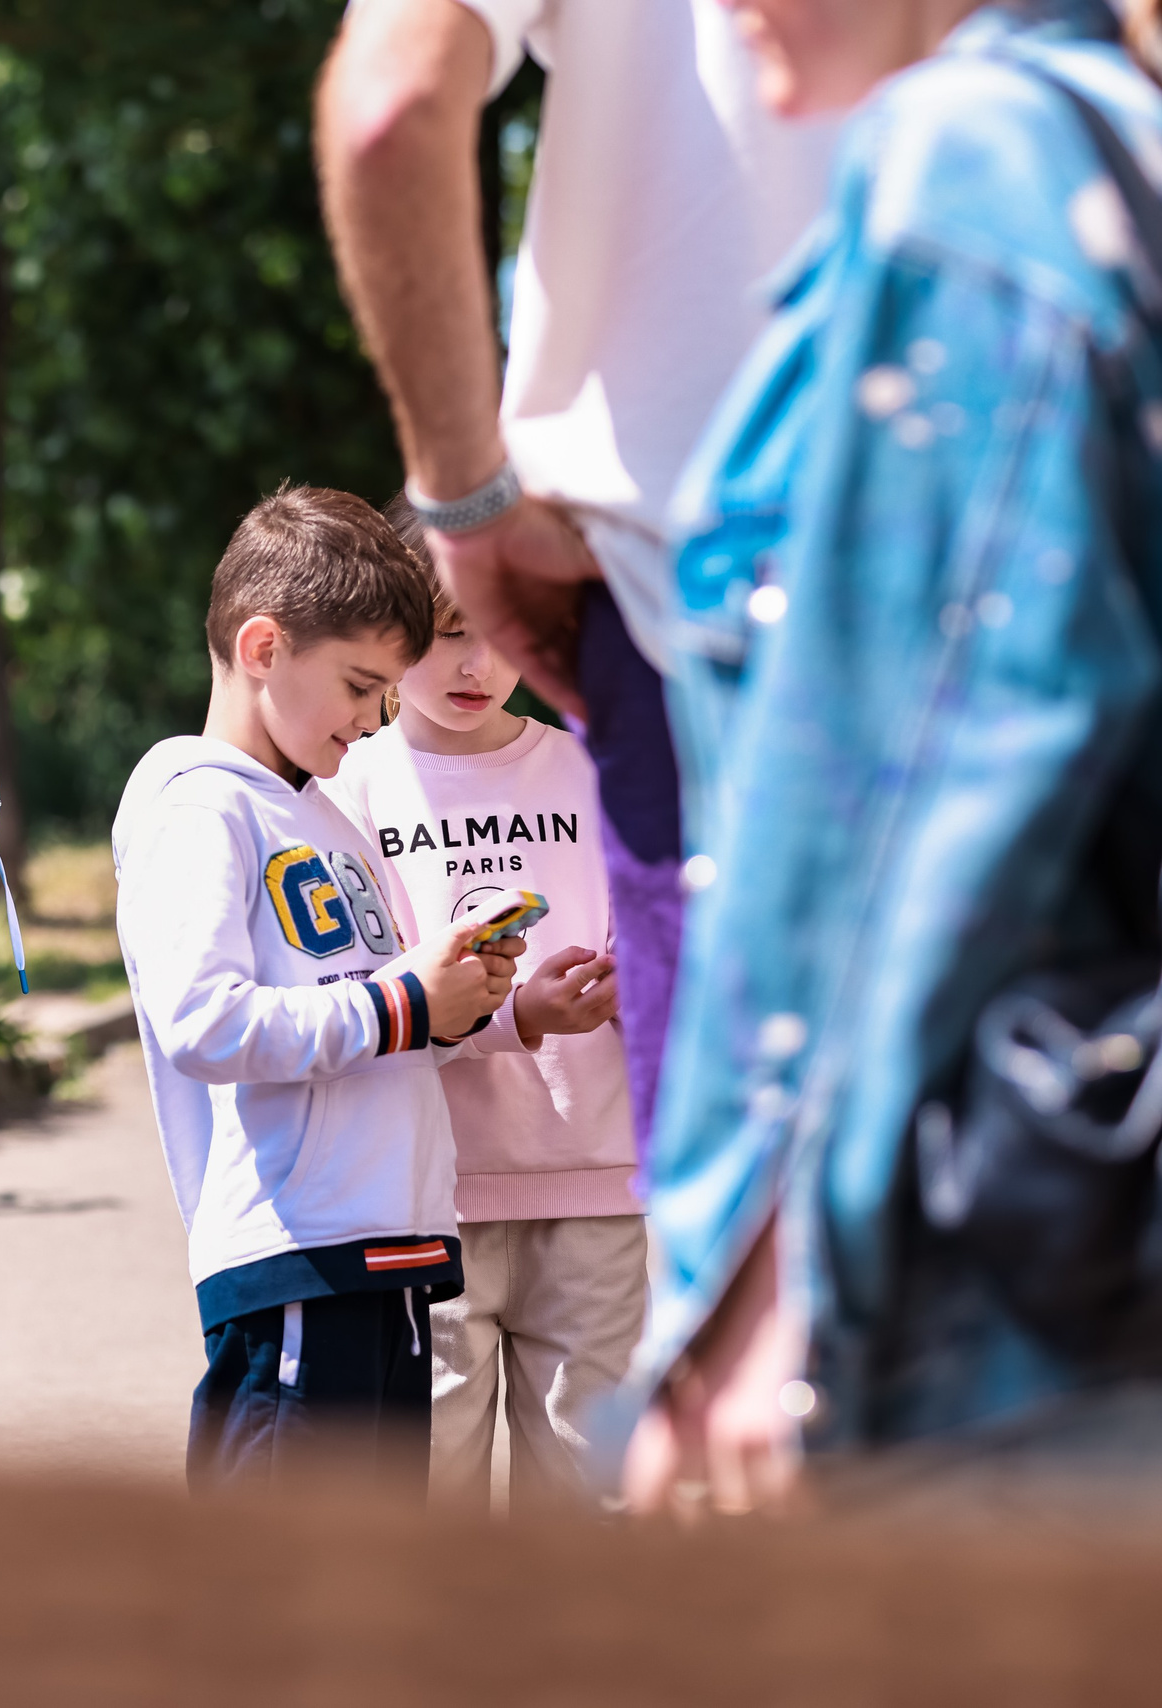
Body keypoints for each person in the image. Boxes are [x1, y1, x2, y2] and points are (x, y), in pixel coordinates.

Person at [623, 0, 1162, 1516]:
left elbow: (934, 768)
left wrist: (771, 1283)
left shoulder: (971, 162)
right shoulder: (1110, 158)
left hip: (971, 1311)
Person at [317, 0, 838, 1153]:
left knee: (756, 1235)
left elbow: (390, 105)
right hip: (1058, 602)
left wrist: (469, 496)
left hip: (681, 611)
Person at [111, 486, 522, 1493]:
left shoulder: (319, 816)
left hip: (387, 1253)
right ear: (262, 649)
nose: (376, 715)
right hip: (296, 1262)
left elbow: (368, 1022)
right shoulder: (198, 805)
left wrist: (457, 1003)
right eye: (358, 684)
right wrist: (404, 1005)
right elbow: (202, 1022)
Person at [328, 509, 641, 1512]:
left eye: (504, 632)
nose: (478, 661)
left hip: (594, 1186)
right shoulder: (348, 788)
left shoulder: (594, 768)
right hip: (426, 1192)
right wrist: (519, 1016)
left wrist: (639, 987)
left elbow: (658, 924)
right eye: (447, 628)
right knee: (432, 1491)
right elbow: (353, 997)